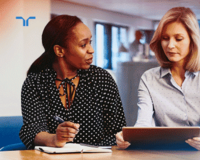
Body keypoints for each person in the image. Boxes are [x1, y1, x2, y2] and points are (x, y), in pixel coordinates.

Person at [116, 7, 200, 151]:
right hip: (162, 152)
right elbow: (143, 122)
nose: (170, 45)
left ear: (192, 40)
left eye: (178, 39)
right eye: (165, 38)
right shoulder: (149, 79)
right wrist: (129, 137)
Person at [19, 15, 126, 149]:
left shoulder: (101, 78)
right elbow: (32, 130)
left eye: (90, 42)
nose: (91, 50)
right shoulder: (35, 83)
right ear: (59, 50)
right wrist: (54, 139)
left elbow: (118, 130)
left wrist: (121, 139)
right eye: (83, 45)